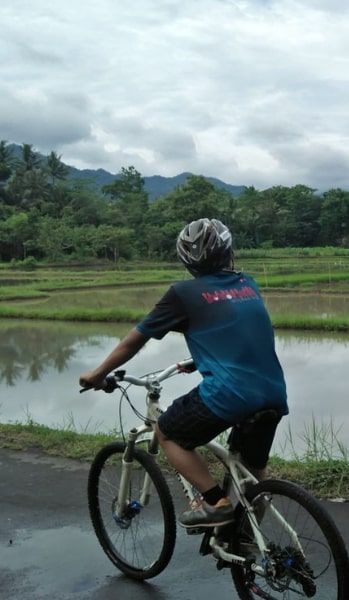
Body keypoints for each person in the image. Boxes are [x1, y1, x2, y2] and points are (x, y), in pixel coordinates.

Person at [79, 218, 288, 528]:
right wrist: (201, 359)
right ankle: (247, 540)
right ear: (228, 252)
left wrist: (97, 374)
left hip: (231, 394)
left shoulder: (183, 294)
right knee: (253, 472)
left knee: (168, 432)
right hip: (273, 392)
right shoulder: (247, 284)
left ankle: (216, 503)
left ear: (186, 259)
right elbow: (239, 331)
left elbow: (135, 340)